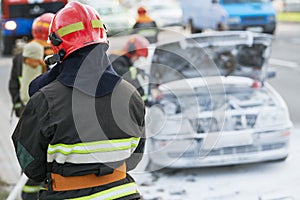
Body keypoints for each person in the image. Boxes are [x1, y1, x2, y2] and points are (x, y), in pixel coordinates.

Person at [12, 2, 145, 200]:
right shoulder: (131, 95)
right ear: (103, 40)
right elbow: (134, 159)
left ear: (57, 45)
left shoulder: (44, 100)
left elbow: (31, 165)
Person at [9, 13, 54, 118]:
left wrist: (18, 107)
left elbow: (13, 84)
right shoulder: (54, 56)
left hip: (27, 109)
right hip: (48, 111)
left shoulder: (21, 55)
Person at [109, 34, 149, 103]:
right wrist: (137, 70)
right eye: (138, 56)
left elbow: (135, 84)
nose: (137, 59)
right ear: (132, 51)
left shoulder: (125, 61)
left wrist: (145, 100)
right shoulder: (116, 60)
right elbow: (125, 75)